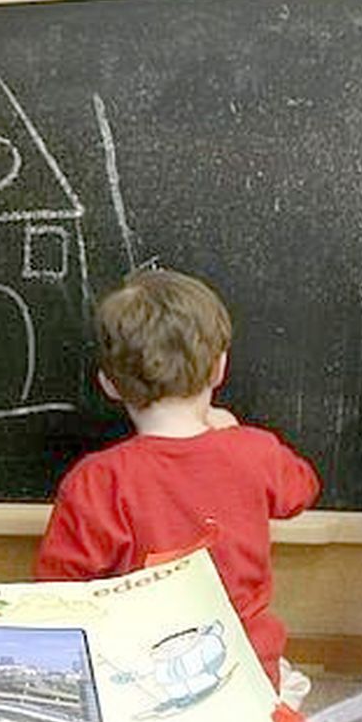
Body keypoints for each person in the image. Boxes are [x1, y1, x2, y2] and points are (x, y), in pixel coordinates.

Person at [34, 268, 320, 699]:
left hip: (140, 680)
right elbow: (303, 489)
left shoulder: (97, 482)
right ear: (220, 367)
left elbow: (57, 592)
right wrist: (235, 434)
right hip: (247, 675)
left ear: (109, 385)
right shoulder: (254, 451)